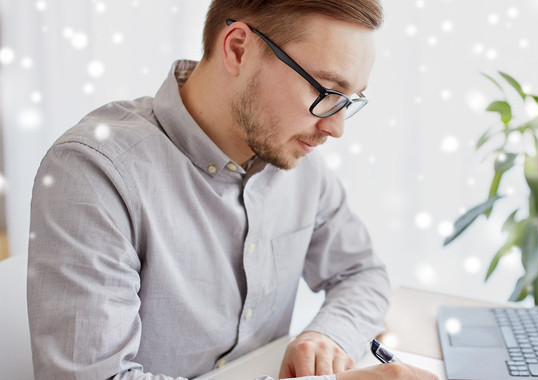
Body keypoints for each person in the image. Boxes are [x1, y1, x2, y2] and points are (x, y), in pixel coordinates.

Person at [27, 1, 437, 379]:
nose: (336, 127)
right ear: (238, 48)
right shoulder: (95, 172)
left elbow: (361, 272)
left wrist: (328, 337)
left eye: (349, 100)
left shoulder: (296, 159)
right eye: (325, 91)